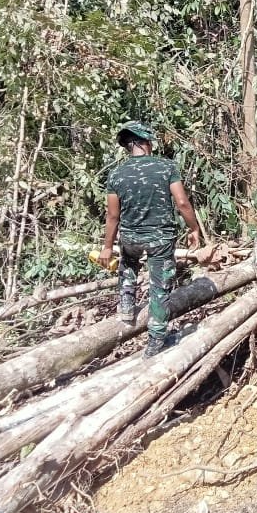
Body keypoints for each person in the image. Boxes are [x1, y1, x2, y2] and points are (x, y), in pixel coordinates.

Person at [98, 121, 202, 358]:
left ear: (128, 146)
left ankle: (127, 305)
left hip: (130, 237)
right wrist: (194, 228)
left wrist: (107, 247)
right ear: (145, 143)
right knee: (159, 288)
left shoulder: (116, 174)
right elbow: (182, 203)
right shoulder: (166, 167)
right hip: (160, 239)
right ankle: (156, 341)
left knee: (128, 262)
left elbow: (112, 215)